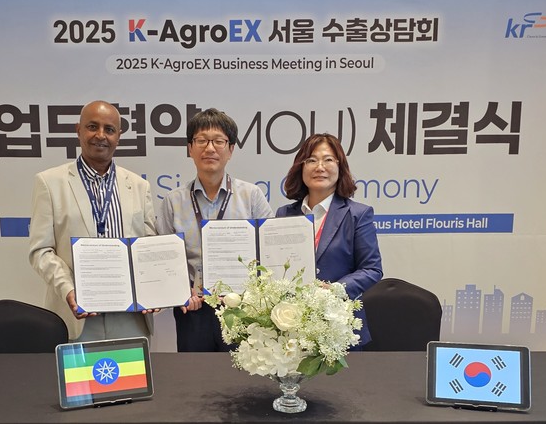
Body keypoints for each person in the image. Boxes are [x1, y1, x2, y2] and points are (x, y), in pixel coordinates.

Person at [29, 100, 157, 341]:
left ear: (118, 136)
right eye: (92, 127)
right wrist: (68, 289)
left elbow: (148, 248)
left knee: (132, 369)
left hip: (130, 320)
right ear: (78, 130)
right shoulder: (49, 183)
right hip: (77, 318)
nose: (100, 135)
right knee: (79, 370)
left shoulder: (139, 186)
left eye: (109, 129)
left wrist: (154, 288)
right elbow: (41, 251)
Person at [156, 108, 274, 352]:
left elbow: (270, 253)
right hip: (194, 309)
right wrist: (181, 291)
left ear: (230, 149)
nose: (210, 148)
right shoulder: (173, 201)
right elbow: (163, 260)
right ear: (190, 148)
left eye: (218, 141)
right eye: (201, 140)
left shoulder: (251, 196)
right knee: (196, 373)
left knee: (242, 374)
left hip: (243, 309)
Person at [276, 133, 383, 349]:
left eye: (328, 160)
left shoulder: (357, 214)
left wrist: (334, 290)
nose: (320, 167)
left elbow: (372, 269)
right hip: (292, 327)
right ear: (300, 167)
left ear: (340, 167)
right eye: (311, 160)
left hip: (339, 327)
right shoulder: (284, 214)